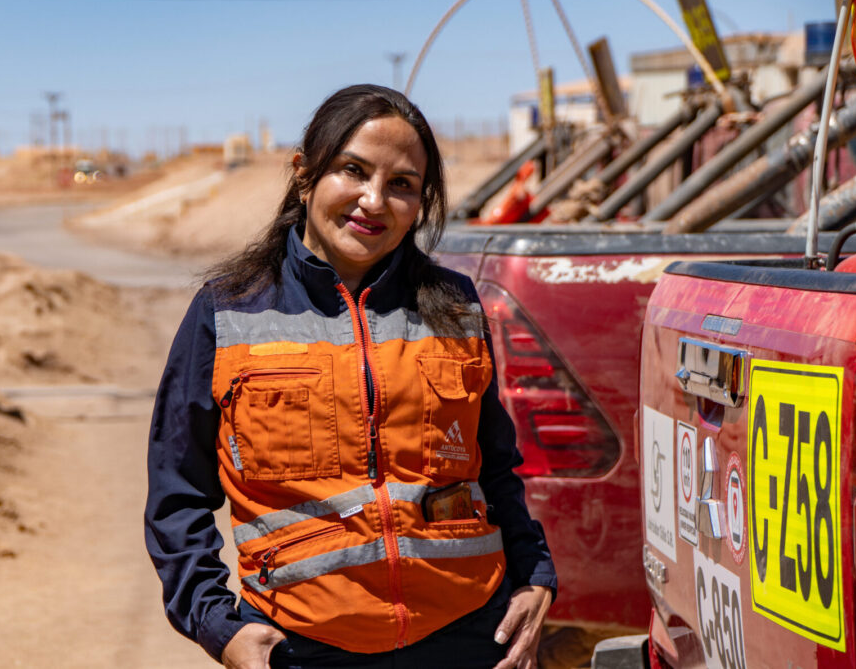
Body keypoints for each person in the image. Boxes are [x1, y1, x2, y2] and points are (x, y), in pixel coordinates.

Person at [145, 84, 556, 669]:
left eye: (402, 185)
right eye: (353, 170)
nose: (374, 200)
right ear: (305, 174)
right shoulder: (228, 311)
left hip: (467, 637)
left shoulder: (455, 305)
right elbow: (176, 495)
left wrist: (535, 575)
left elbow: (495, 467)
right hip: (304, 648)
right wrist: (219, 625)